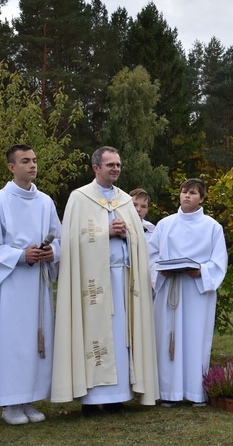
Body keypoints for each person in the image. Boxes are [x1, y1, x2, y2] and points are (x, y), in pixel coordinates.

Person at [51, 146, 158, 415]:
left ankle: (117, 397)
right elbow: (71, 241)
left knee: (122, 336)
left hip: (122, 278)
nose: (116, 169)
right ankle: (90, 400)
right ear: (96, 168)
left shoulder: (124, 200)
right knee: (91, 335)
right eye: (110, 165)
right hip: (91, 284)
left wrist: (127, 236)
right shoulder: (80, 198)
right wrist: (105, 232)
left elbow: (139, 240)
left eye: (119, 165)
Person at [0, 144, 61, 425]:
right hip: (10, 284)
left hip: (37, 284)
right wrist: (20, 256)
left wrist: (51, 253)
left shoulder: (45, 202)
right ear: (12, 167)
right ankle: (9, 402)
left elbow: (58, 238)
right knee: (11, 341)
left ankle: (28, 398)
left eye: (35, 160)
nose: (33, 165)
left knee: (36, 340)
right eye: (25, 161)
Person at [149, 178, 227, 407]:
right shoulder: (165, 224)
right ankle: (168, 392)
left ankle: (195, 392)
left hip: (196, 292)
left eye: (193, 193)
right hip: (170, 288)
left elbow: (219, 261)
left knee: (195, 338)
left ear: (201, 198)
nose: (186, 196)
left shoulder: (212, 226)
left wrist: (201, 271)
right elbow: (151, 255)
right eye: (184, 191)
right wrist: (160, 272)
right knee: (167, 337)